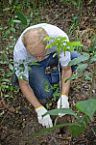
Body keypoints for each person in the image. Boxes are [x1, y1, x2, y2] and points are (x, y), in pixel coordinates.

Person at [13, 23, 79, 128]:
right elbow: (24, 83)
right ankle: (24, 74)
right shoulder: (19, 51)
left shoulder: (60, 38)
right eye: (34, 54)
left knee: (75, 58)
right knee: (46, 94)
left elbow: (66, 69)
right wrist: (38, 108)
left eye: (40, 54)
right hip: (33, 64)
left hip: (51, 55)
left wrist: (64, 96)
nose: (39, 58)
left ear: (48, 43)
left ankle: (49, 75)